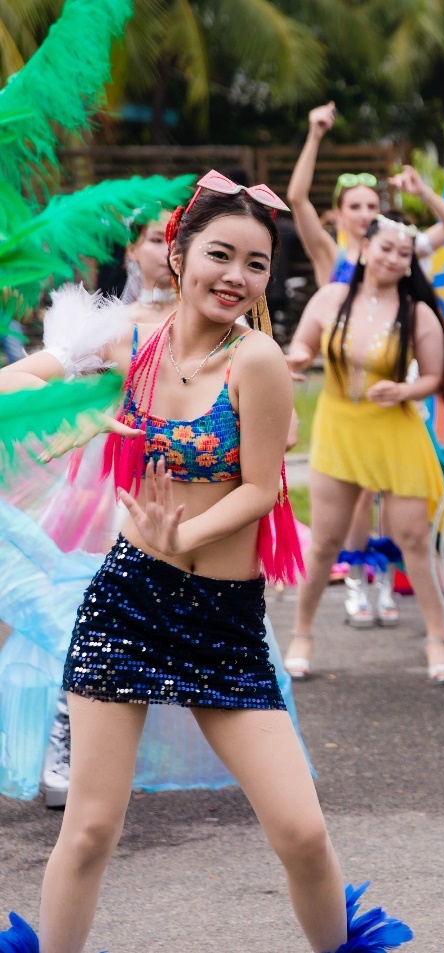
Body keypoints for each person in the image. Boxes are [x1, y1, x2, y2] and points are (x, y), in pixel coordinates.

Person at [0, 174, 411, 953]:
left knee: (300, 832)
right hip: (126, 603)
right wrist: (63, 408)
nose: (237, 276)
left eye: (256, 264)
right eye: (220, 254)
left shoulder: (253, 360)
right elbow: (27, 381)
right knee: (88, 829)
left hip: (222, 620)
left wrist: (183, 538)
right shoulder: (132, 343)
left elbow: (260, 489)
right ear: (180, 254)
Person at [282, 212, 444, 685]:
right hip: (339, 430)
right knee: (324, 544)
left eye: (404, 254)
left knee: (414, 540)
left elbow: (434, 378)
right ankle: (302, 634)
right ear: (364, 249)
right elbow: (302, 348)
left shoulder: (418, 312)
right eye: (386, 249)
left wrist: (403, 391)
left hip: (395, 433)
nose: (394, 258)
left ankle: (436, 639)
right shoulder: (331, 298)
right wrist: (294, 360)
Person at [287, 102, 444, 288]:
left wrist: (424, 193)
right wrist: (314, 136)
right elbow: (297, 198)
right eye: (355, 206)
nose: (365, 214)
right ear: (339, 214)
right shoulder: (330, 254)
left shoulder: (393, 254)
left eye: (372, 206)